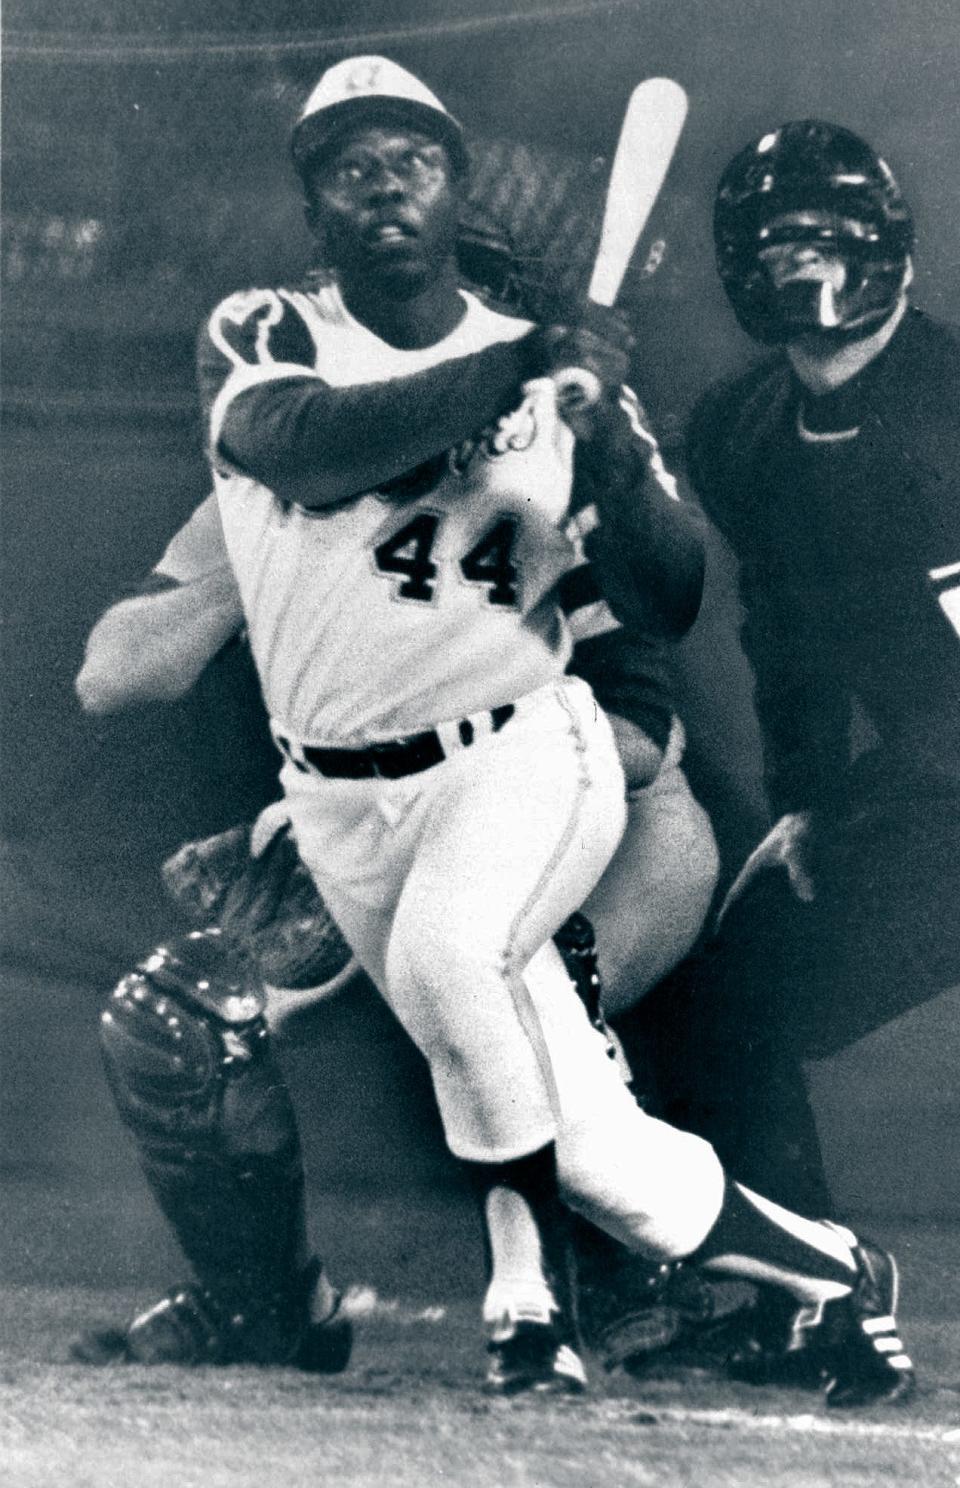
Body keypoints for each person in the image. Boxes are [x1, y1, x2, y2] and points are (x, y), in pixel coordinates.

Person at [80, 61, 915, 1410]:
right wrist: (239, 593)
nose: (452, 316)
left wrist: (605, 449)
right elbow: (120, 668)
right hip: (364, 809)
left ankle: (544, 1309)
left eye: (481, 299)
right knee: (235, 1025)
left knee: (491, 975)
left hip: (598, 804)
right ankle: (812, 1268)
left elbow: (642, 704)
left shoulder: (545, 450)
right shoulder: (289, 391)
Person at [629, 118, 960, 1380]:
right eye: (779, 243)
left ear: (891, 256)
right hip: (927, 787)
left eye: (830, 238)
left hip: (944, 785)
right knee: (727, 997)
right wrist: (817, 802)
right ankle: (810, 1287)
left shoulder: (946, 425)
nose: (805, 266)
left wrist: (882, 807)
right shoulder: (740, 429)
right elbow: (785, 628)